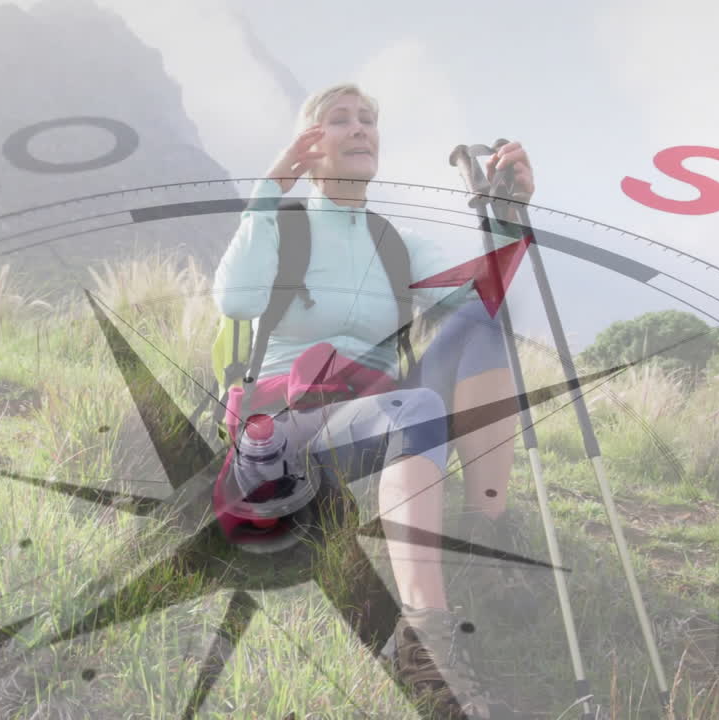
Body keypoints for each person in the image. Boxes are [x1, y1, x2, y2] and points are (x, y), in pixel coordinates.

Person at [212, 83, 537, 719]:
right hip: (292, 429)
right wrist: (271, 190)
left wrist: (508, 216)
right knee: (414, 411)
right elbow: (236, 298)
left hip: (377, 416)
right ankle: (425, 650)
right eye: (341, 120)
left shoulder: (397, 243)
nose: (361, 129)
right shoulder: (285, 227)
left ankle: (484, 532)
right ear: (310, 144)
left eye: (369, 120)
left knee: (481, 327)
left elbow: (486, 298)